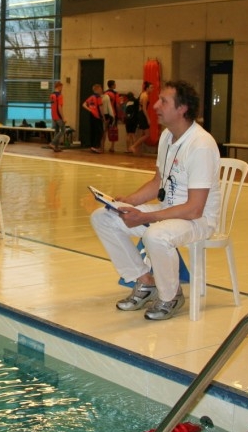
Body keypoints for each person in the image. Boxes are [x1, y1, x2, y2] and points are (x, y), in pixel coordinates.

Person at [90, 80, 221, 321]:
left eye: (164, 101)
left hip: (198, 220)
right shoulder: (167, 136)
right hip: (167, 210)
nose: (155, 105)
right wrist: (128, 202)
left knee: (155, 235)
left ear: (182, 108)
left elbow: (194, 209)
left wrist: (146, 217)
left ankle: (171, 296)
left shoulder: (201, 145)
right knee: (103, 217)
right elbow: (157, 182)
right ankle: (145, 281)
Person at [81, 84, 107, 154]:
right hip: (97, 116)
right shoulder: (98, 97)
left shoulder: (91, 97)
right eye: (100, 88)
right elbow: (101, 108)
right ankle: (96, 146)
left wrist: (90, 110)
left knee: (93, 131)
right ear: (97, 89)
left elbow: (84, 104)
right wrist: (103, 117)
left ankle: (92, 146)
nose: (101, 90)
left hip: (92, 115)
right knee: (99, 132)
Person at [129, 81, 153, 155]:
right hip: (142, 114)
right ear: (147, 88)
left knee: (141, 133)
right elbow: (144, 109)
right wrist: (148, 119)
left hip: (140, 114)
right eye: (151, 87)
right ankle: (133, 146)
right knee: (147, 134)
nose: (152, 89)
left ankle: (138, 150)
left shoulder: (142, 94)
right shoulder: (145, 96)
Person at [49, 80, 66, 153]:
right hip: (58, 116)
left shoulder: (51, 95)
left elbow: (52, 106)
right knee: (63, 130)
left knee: (57, 131)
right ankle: (52, 143)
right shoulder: (59, 96)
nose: (62, 89)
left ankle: (56, 147)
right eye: (61, 87)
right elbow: (59, 107)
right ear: (59, 87)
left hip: (53, 115)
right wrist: (63, 117)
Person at [105, 80, 121, 153]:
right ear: (112, 85)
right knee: (113, 130)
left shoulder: (104, 93)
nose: (115, 85)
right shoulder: (115, 93)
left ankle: (102, 146)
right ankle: (112, 147)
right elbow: (117, 105)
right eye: (115, 84)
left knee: (104, 130)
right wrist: (119, 113)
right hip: (113, 114)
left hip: (105, 114)